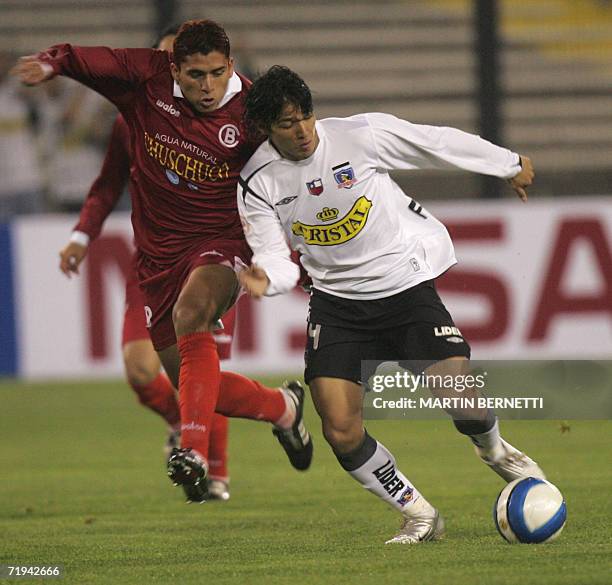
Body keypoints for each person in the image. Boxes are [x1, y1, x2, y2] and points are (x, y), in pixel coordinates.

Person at [237, 65, 545, 544]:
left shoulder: (359, 135)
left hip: (404, 287)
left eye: (305, 117)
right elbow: (277, 259)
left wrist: (507, 163)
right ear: (265, 129)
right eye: (285, 124)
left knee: (460, 401)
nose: (301, 132)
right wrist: (266, 279)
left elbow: (433, 142)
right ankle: (419, 514)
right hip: (338, 306)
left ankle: (495, 450)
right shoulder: (257, 181)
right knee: (339, 429)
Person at [12, 20, 313, 504]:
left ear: (231, 66)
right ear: (172, 66)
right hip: (157, 256)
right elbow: (79, 58)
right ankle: (283, 407)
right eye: (196, 75)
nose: (208, 86)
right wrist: (49, 64)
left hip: (222, 243)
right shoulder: (144, 80)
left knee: (192, 313)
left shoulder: (255, 110)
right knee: (195, 383)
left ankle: (198, 458)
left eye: (217, 73)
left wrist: (297, 255)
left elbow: (295, 183)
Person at [57, 26, 233, 501]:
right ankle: (264, 412)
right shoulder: (132, 116)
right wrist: (81, 235)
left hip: (209, 257)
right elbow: (108, 184)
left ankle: (214, 472)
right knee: (143, 370)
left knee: (200, 361)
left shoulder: (231, 118)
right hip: (152, 262)